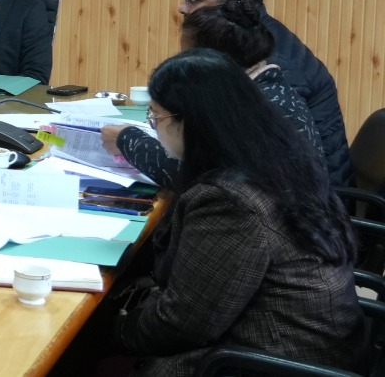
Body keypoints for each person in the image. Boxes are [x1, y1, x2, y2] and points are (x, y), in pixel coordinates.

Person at [111, 48, 361, 374]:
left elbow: (180, 325)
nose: (154, 127)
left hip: (273, 361)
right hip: (312, 344)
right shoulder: (278, 158)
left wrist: (108, 330)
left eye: (156, 117)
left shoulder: (230, 200)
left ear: (193, 121)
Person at [101, 0, 326, 190]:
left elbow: (195, 176)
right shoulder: (266, 87)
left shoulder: (253, 109)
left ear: (213, 63)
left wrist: (128, 140)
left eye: (188, 59)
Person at [176, 0, 351, 185]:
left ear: (233, 3)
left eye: (193, 0)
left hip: (312, 200)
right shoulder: (250, 41)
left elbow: (277, 169)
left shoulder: (274, 63)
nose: (182, 8)